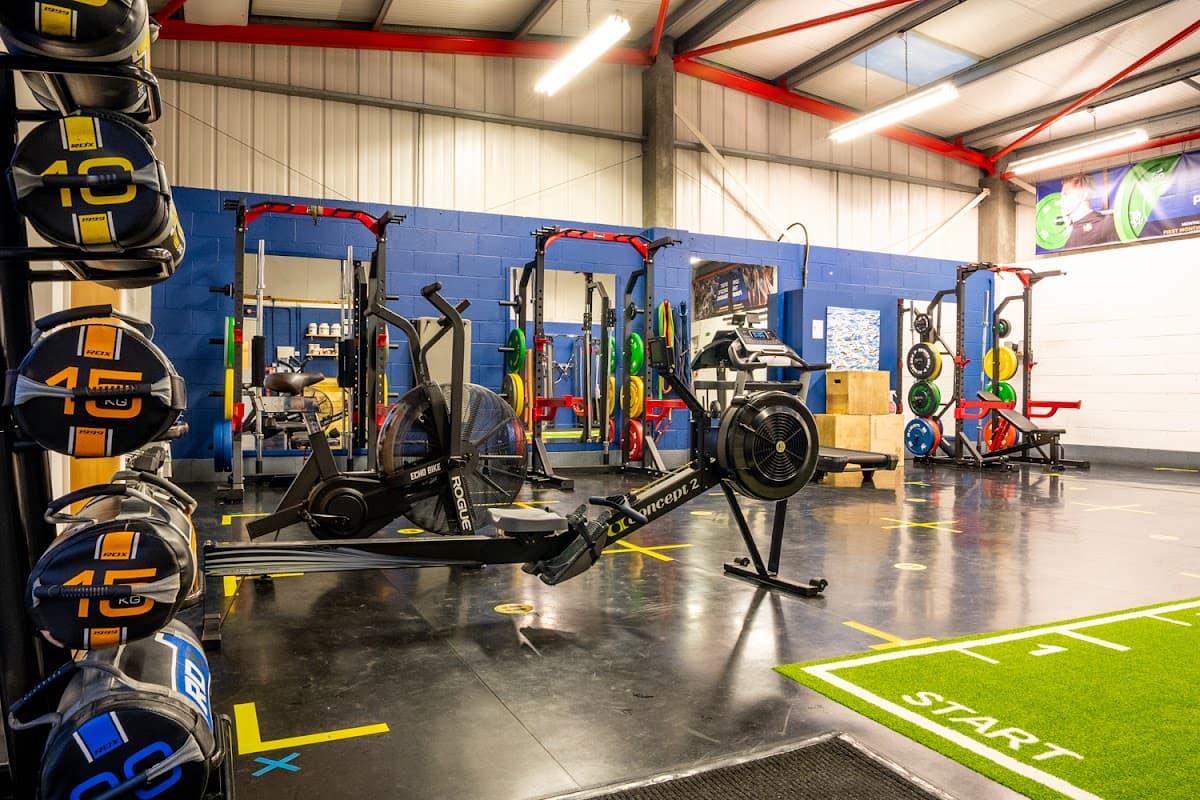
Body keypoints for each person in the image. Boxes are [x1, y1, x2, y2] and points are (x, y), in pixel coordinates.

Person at [1059, 173, 1117, 249]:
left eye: (1066, 194)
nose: (1060, 201)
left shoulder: (1106, 224)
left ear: (1084, 194)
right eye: (1061, 196)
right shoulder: (1070, 231)